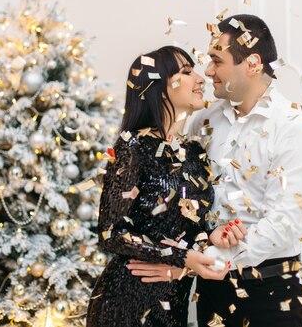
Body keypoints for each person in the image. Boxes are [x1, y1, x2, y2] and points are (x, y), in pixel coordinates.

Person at [128, 15, 302, 327]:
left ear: (252, 63)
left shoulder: (293, 128)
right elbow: (185, 201)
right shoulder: (203, 121)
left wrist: (198, 263)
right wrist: (188, 256)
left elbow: (282, 224)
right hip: (209, 291)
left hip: (271, 293)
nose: (207, 72)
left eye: (216, 61)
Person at [86, 46, 230, 327]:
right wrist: (182, 257)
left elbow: (188, 230)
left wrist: (210, 239)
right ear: (159, 88)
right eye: (186, 72)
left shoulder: (194, 153)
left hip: (173, 305)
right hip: (126, 302)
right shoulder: (132, 148)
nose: (200, 78)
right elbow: (111, 232)